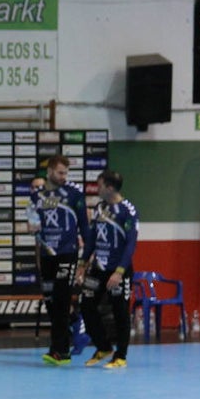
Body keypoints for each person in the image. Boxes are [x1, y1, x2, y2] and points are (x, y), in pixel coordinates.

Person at [28, 155, 88, 365]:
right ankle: (58, 347)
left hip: (67, 254)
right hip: (47, 255)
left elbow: (85, 225)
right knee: (51, 302)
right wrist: (32, 225)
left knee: (62, 300)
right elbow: (33, 224)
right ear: (50, 171)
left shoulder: (74, 193)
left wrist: (84, 260)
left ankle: (62, 351)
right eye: (60, 172)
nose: (64, 177)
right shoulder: (38, 196)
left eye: (66, 173)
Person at [78, 170, 138, 370]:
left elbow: (130, 244)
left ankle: (120, 356)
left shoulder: (128, 210)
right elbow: (92, 238)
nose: (97, 189)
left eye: (100, 185)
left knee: (120, 311)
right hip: (98, 268)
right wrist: (82, 263)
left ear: (110, 188)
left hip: (118, 270)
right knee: (86, 304)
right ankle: (103, 347)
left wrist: (119, 272)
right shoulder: (99, 207)